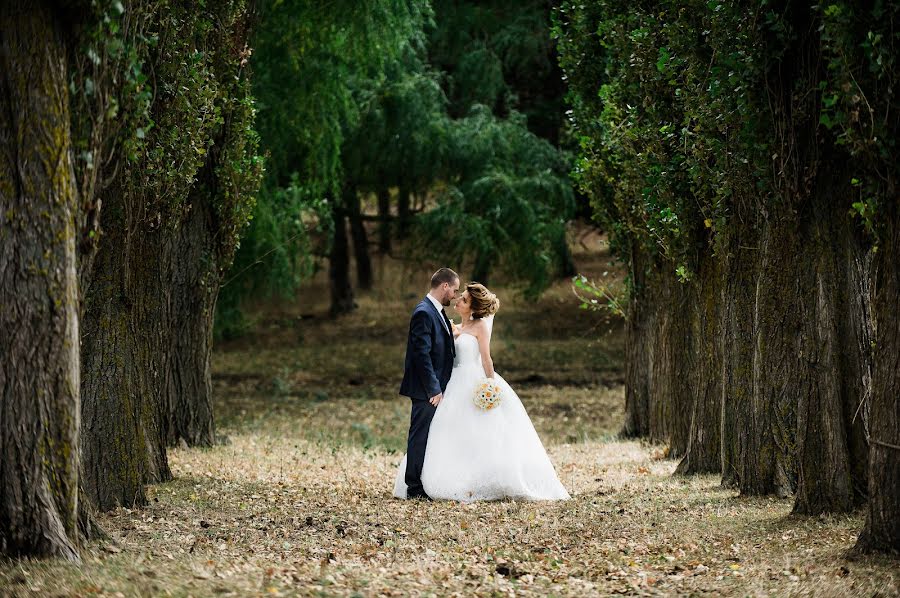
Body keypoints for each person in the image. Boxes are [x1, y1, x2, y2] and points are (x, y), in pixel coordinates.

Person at [394, 282, 570, 502]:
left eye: (464, 299)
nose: (458, 300)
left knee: (482, 430)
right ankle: (437, 478)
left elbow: (486, 358)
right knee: (447, 430)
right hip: (452, 383)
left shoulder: (480, 327)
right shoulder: (452, 326)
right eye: (461, 297)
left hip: (474, 381)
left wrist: (491, 384)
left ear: (474, 308)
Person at [398, 268, 460, 499]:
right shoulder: (423, 312)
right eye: (454, 289)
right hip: (426, 389)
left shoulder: (437, 311)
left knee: (431, 435)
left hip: (436, 386)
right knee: (420, 435)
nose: (454, 295)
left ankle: (425, 481)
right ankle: (413, 487)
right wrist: (433, 388)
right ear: (444, 286)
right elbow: (420, 354)